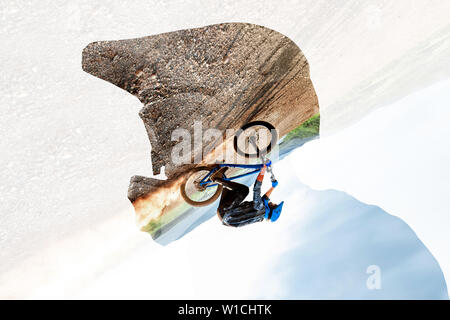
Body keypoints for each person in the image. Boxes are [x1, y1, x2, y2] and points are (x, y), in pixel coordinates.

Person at [212, 164, 284, 227]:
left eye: (274, 204)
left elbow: (256, 189)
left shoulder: (261, 209)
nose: (272, 202)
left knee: (244, 190)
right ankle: (221, 178)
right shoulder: (260, 215)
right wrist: (273, 187)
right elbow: (265, 199)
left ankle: (216, 178)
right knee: (236, 193)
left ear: (272, 208)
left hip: (225, 212)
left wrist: (263, 171)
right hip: (224, 217)